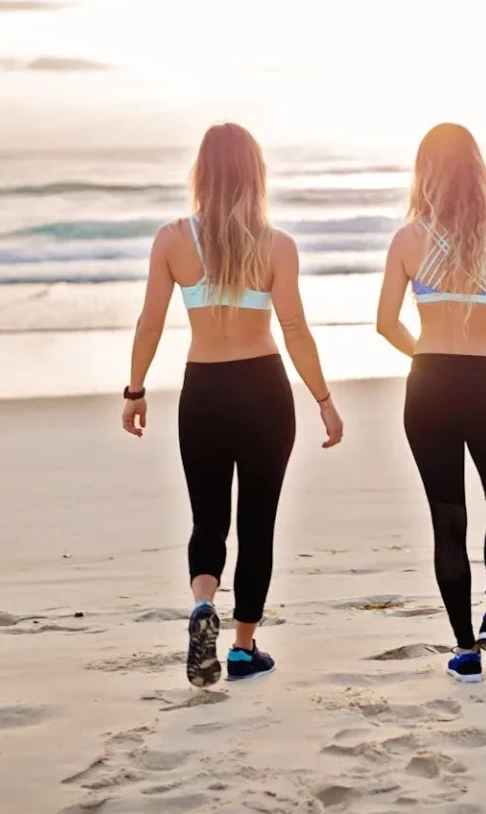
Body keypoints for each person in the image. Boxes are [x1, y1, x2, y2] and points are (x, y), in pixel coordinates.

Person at [122, 123, 343, 688]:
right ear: (256, 173)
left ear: (200, 171)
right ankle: (243, 648)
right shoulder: (277, 245)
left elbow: (150, 322)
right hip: (265, 392)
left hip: (205, 393)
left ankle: (203, 604)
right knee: (258, 524)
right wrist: (323, 399)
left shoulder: (172, 239)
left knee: (208, 519)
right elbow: (294, 328)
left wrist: (136, 389)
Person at [376, 123, 486, 684]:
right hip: (485, 384)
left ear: (425, 172)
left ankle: (465, 651)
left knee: (448, 522)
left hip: (427, 388)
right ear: (478, 168)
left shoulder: (407, 239)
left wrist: (425, 355)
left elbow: (384, 324)